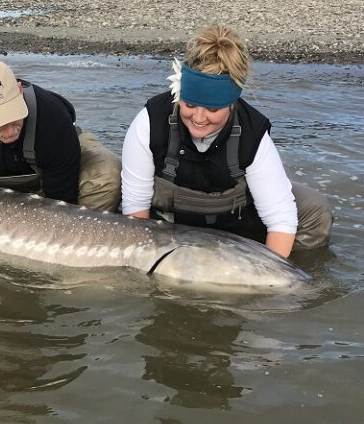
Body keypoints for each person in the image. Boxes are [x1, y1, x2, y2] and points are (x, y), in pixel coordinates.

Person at [121, 24, 332, 258]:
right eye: (189, 105)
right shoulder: (150, 121)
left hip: (235, 224)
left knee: (314, 208)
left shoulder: (252, 133)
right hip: (169, 227)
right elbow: (135, 208)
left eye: (212, 109)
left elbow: (280, 218)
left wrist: (270, 279)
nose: (198, 118)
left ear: (232, 105)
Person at [0, 59, 121, 211]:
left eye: (14, 115)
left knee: (107, 174)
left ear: (19, 90)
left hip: (54, 174)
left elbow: (62, 201)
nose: (10, 130)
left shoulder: (53, 120)